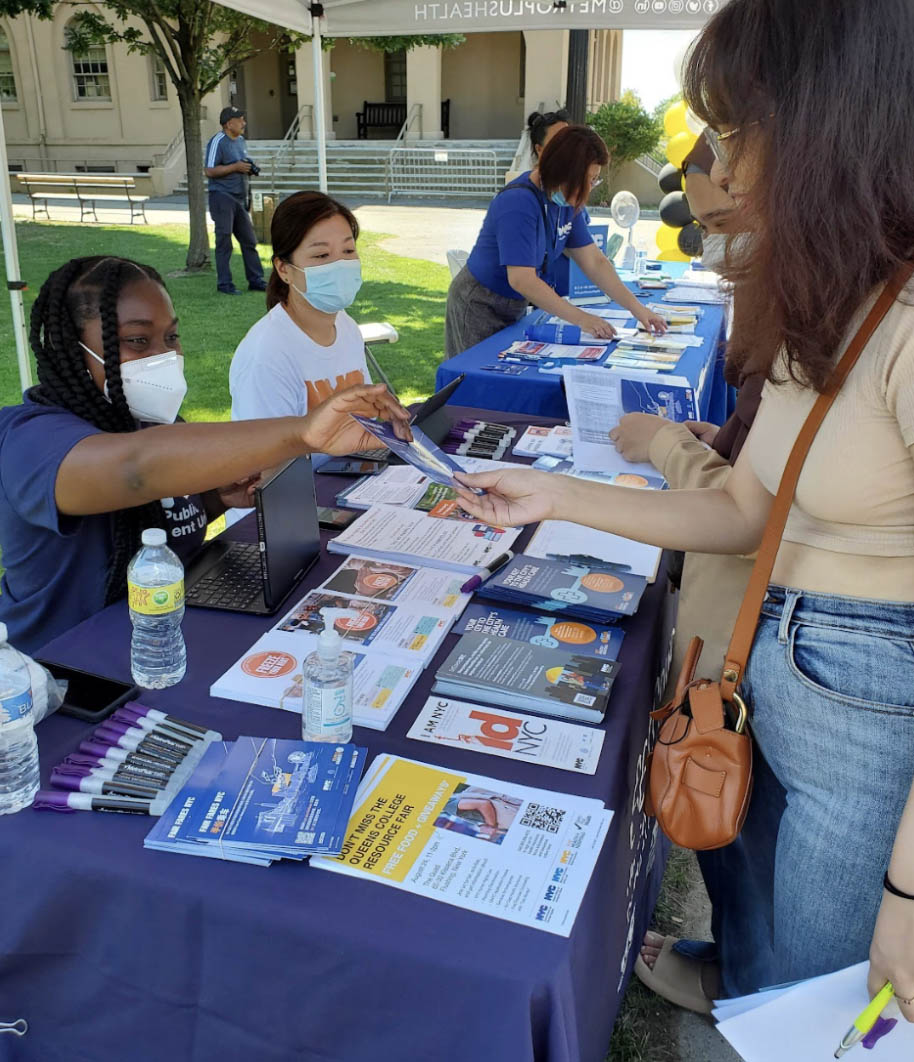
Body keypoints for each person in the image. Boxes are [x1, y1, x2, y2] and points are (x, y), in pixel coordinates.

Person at [453, 0, 914, 1020]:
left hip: (867, 712)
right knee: (776, 961)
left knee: (830, 999)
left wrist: (909, 890)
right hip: (781, 666)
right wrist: (554, 494)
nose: (726, 170)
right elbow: (750, 509)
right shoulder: (844, 294)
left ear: (837, 124)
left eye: (741, 133)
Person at [0, 256, 410, 654]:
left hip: (162, 636)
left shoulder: (154, 425)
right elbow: (134, 471)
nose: (165, 355)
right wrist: (302, 432)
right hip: (63, 670)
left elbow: (157, 518)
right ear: (68, 349)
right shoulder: (28, 439)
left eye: (171, 337)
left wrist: (214, 500)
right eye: (138, 341)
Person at [444, 124, 667, 358]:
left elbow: (594, 261)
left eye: (595, 180)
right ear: (565, 172)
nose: (590, 187)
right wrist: (582, 319)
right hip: (480, 303)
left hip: (514, 304)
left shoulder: (565, 203)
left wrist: (638, 309)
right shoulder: (518, 202)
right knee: (475, 380)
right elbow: (522, 279)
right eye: (588, 179)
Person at [230, 191, 368, 424]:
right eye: (322, 255)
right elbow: (266, 454)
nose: (340, 265)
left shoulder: (347, 327)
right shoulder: (266, 356)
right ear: (284, 269)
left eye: (348, 251)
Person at [204, 106, 267, 296]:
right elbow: (209, 171)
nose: (243, 123)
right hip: (221, 197)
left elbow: (240, 164)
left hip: (239, 198)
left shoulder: (240, 141)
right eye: (240, 120)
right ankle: (225, 284)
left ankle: (256, 281)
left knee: (249, 241)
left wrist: (248, 167)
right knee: (224, 241)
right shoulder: (217, 141)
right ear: (229, 123)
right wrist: (235, 167)